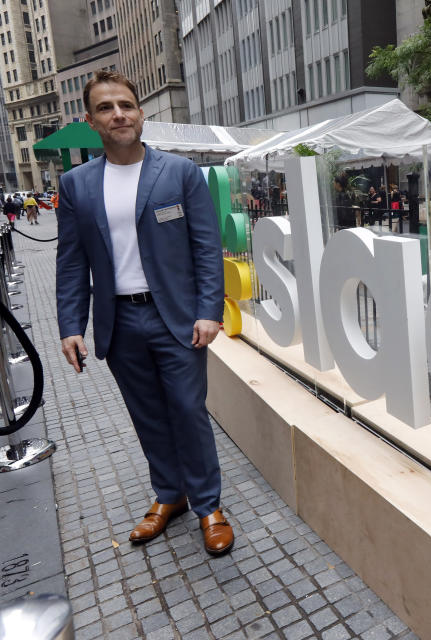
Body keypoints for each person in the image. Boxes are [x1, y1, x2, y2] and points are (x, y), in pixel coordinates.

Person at [55, 70, 232, 555]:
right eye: (107, 108)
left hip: (175, 318)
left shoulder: (178, 172)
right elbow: (71, 261)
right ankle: (169, 496)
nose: (119, 115)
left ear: (141, 112)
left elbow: (206, 247)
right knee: (147, 414)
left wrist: (208, 311)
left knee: (188, 411)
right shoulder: (76, 185)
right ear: (91, 120)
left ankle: (208, 505)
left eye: (126, 105)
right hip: (119, 321)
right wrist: (71, 324)